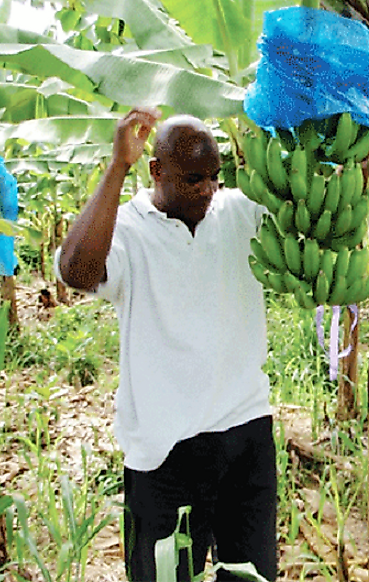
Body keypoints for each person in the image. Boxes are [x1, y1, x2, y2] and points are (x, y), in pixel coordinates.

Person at [56, 107, 277, 582]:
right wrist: (117, 167)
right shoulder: (128, 232)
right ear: (156, 171)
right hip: (164, 448)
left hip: (245, 433)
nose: (207, 190)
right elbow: (77, 272)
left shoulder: (240, 211)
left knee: (254, 575)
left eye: (214, 177)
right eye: (192, 179)